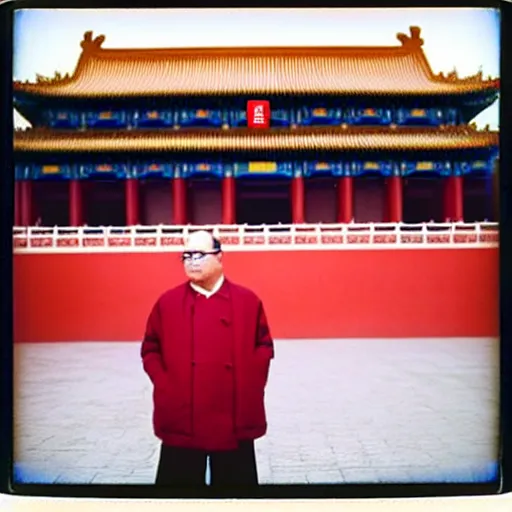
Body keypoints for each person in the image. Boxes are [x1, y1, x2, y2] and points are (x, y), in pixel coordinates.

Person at [141, 230, 274, 488]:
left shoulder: (247, 301)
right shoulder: (167, 303)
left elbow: (264, 346)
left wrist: (249, 381)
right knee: (178, 496)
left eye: (200, 255)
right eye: (186, 256)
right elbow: (150, 347)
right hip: (182, 415)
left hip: (233, 416)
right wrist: (165, 382)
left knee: (236, 495)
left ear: (219, 257)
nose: (192, 261)